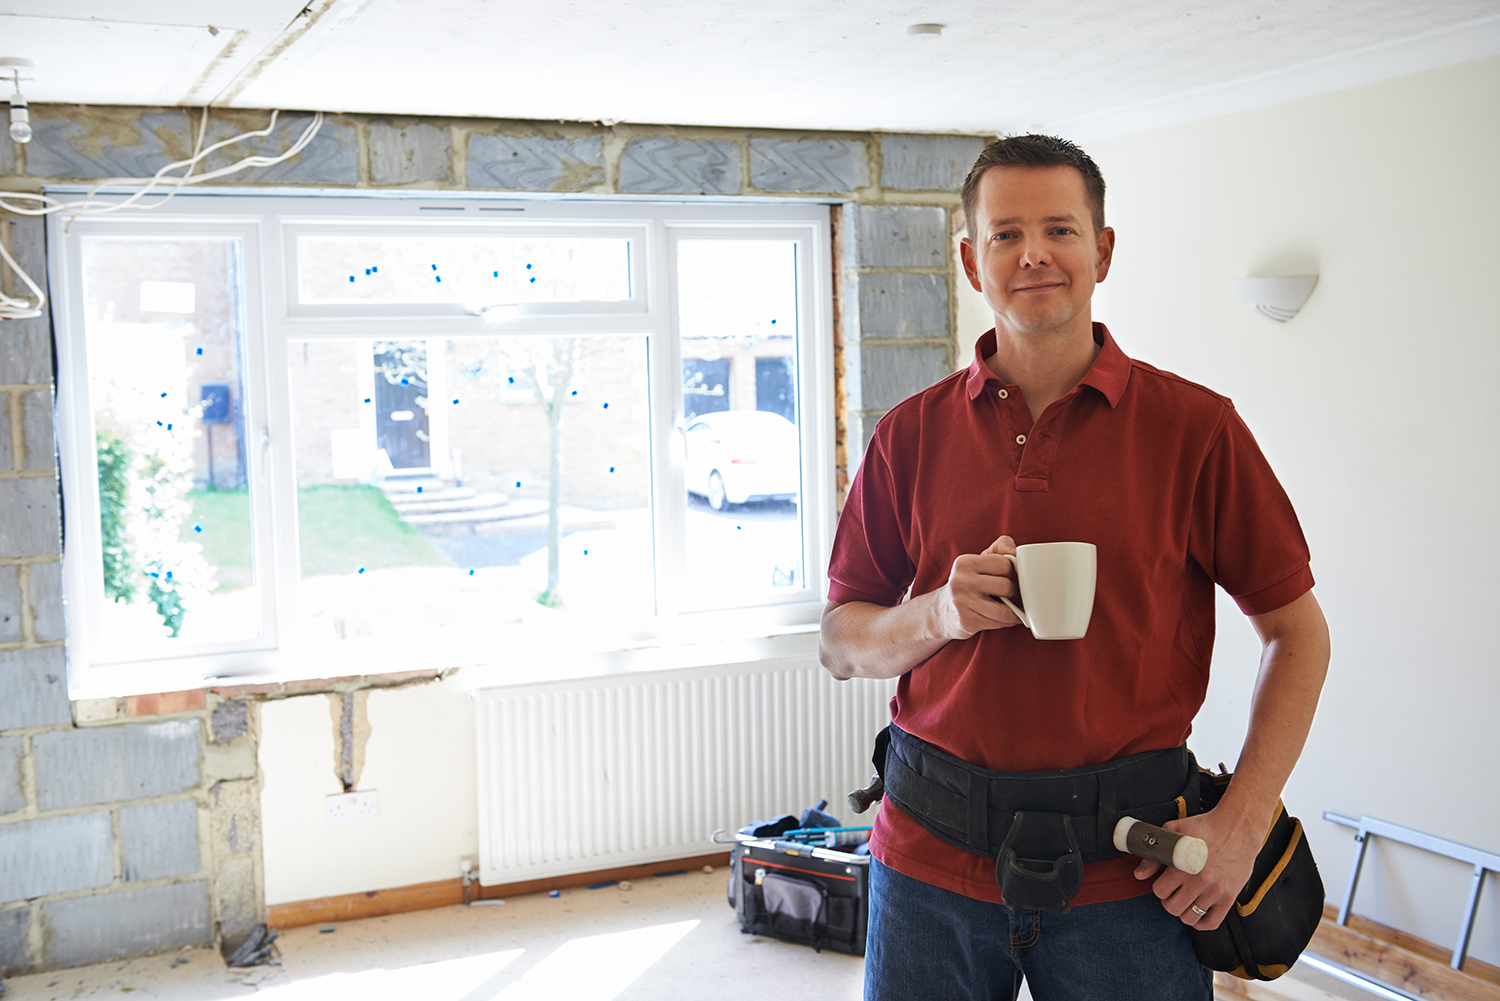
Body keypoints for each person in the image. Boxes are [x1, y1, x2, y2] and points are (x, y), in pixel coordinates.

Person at [819, 135, 1331, 1001]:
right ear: (971, 261)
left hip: (1128, 875)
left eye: (1059, 228)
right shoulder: (908, 434)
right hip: (929, 863)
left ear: (1103, 249)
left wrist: (1242, 823)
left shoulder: (1196, 430)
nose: (1034, 254)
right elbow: (841, 640)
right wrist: (939, 612)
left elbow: (1297, 633)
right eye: (1006, 233)